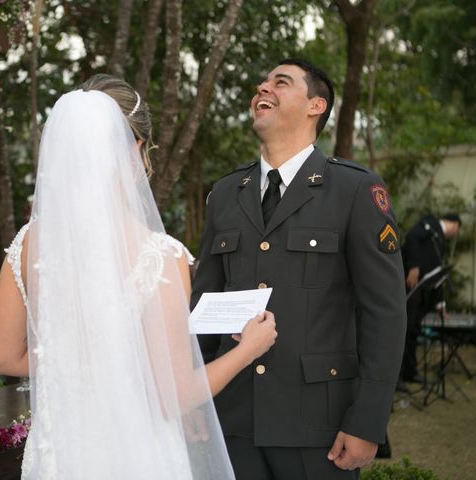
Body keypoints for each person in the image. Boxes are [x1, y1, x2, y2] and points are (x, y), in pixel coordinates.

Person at [0, 74, 278, 479]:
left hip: (62, 455)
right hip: (137, 455)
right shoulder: (159, 257)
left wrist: (84, 356)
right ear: (137, 147)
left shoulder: (27, 245)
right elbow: (175, 396)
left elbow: (2, 356)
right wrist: (249, 348)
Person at [191, 58, 407, 479]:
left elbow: (385, 313)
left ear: (316, 106)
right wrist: (197, 399)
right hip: (234, 420)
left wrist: (367, 421)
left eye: (281, 82)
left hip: (318, 426)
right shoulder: (223, 194)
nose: (262, 88)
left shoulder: (355, 189)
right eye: (262, 83)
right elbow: (205, 305)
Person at [400, 213, 461, 384]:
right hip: (410, 286)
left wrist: (440, 304)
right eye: (457, 230)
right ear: (455, 225)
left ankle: (409, 371)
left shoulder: (438, 241)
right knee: (404, 330)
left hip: (423, 292)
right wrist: (413, 266)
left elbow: (436, 272)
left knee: (413, 331)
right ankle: (397, 376)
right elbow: (411, 238)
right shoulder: (429, 223)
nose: (455, 234)